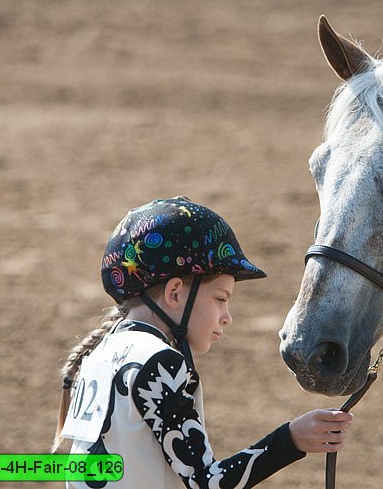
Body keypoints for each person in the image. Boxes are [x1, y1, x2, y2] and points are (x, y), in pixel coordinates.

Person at [53, 197, 353, 488]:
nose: (227, 317)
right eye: (220, 299)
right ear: (174, 293)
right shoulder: (161, 362)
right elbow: (208, 482)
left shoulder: (102, 352)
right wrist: (291, 439)